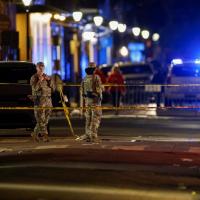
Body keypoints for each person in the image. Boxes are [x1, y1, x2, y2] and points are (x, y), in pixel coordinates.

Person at [77, 62, 104, 142]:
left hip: (87, 101)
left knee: (88, 118)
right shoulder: (96, 77)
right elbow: (99, 89)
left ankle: (87, 134)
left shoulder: (85, 78)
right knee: (96, 117)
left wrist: (85, 98)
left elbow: (81, 90)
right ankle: (93, 134)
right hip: (95, 101)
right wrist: (99, 95)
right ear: (94, 69)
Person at [30, 62, 55, 142]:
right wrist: (40, 81)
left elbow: (53, 89)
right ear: (37, 68)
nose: (41, 69)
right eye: (40, 68)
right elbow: (35, 89)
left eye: (42, 68)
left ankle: (34, 134)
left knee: (45, 120)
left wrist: (50, 81)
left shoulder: (47, 77)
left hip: (48, 100)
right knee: (41, 119)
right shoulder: (34, 77)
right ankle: (45, 136)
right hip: (39, 101)